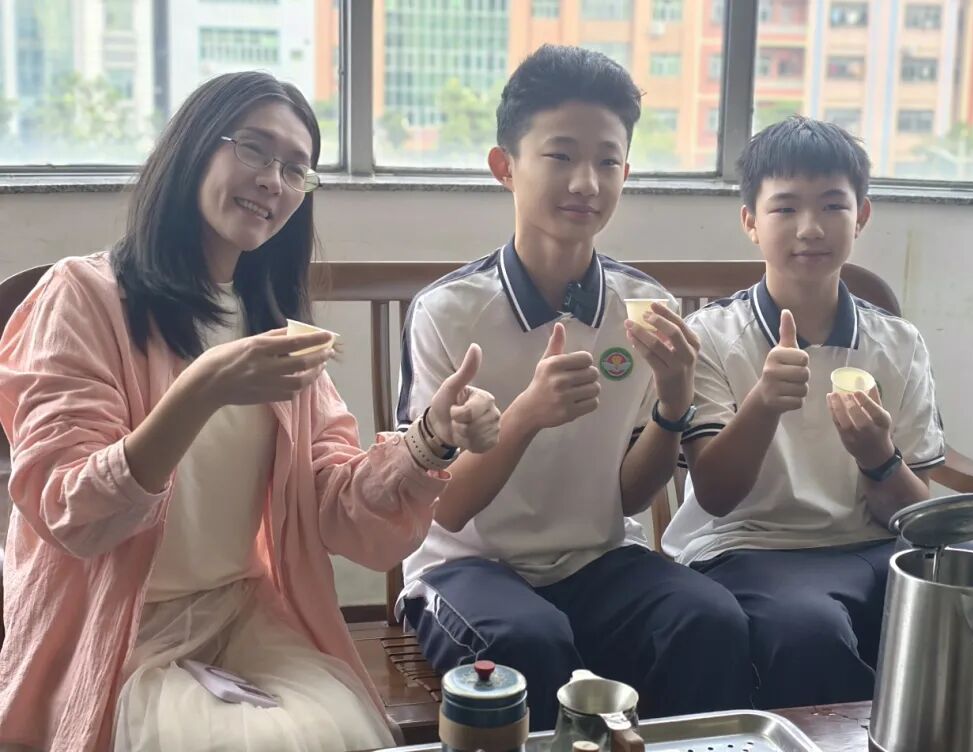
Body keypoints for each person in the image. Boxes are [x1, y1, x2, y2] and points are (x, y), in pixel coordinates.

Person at [0, 71, 501, 752]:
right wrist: (201, 387)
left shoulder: (274, 327)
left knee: (329, 733)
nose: (273, 180)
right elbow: (71, 510)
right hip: (115, 630)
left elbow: (336, 504)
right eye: (255, 149)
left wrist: (430, 439)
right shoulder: (84, 297)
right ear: (194, 147)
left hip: (242, 616)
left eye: (296, 168)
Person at [396, 45, 753, 730]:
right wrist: (526, 415)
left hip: (598, 559)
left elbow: (628, 498)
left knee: (709, 620)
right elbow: (446, 510)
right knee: (527, 643)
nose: (586, 182)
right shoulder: (449, 312)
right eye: (560, 156)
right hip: (466, 568)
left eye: (608, 162)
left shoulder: (643, 307)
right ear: (505, 166)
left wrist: (675, 403)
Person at [662, 115, 973, 709]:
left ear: (862, 216)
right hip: (748, 548)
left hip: (876, 546)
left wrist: (878, 457)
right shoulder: (711, 337)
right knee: (809, 634)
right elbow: (718, 497)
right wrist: (763, 404)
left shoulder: (896, 343)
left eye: (833, 205)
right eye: (785, 208)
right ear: (750, 221)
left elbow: (912, 515)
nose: (810, 228)